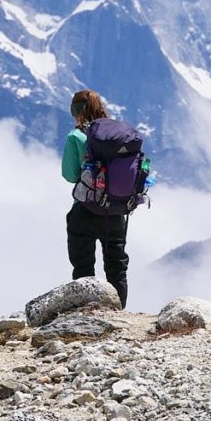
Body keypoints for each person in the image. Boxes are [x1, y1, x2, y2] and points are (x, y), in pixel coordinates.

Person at [61, 89, 130, 308]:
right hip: (117, 210)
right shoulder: (117, 135)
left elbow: (70, 174)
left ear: (77, 110)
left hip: (86, 209)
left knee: (83, 265)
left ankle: (86, 311)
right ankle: (118, 312)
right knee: (116, 265)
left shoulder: (76, 136)